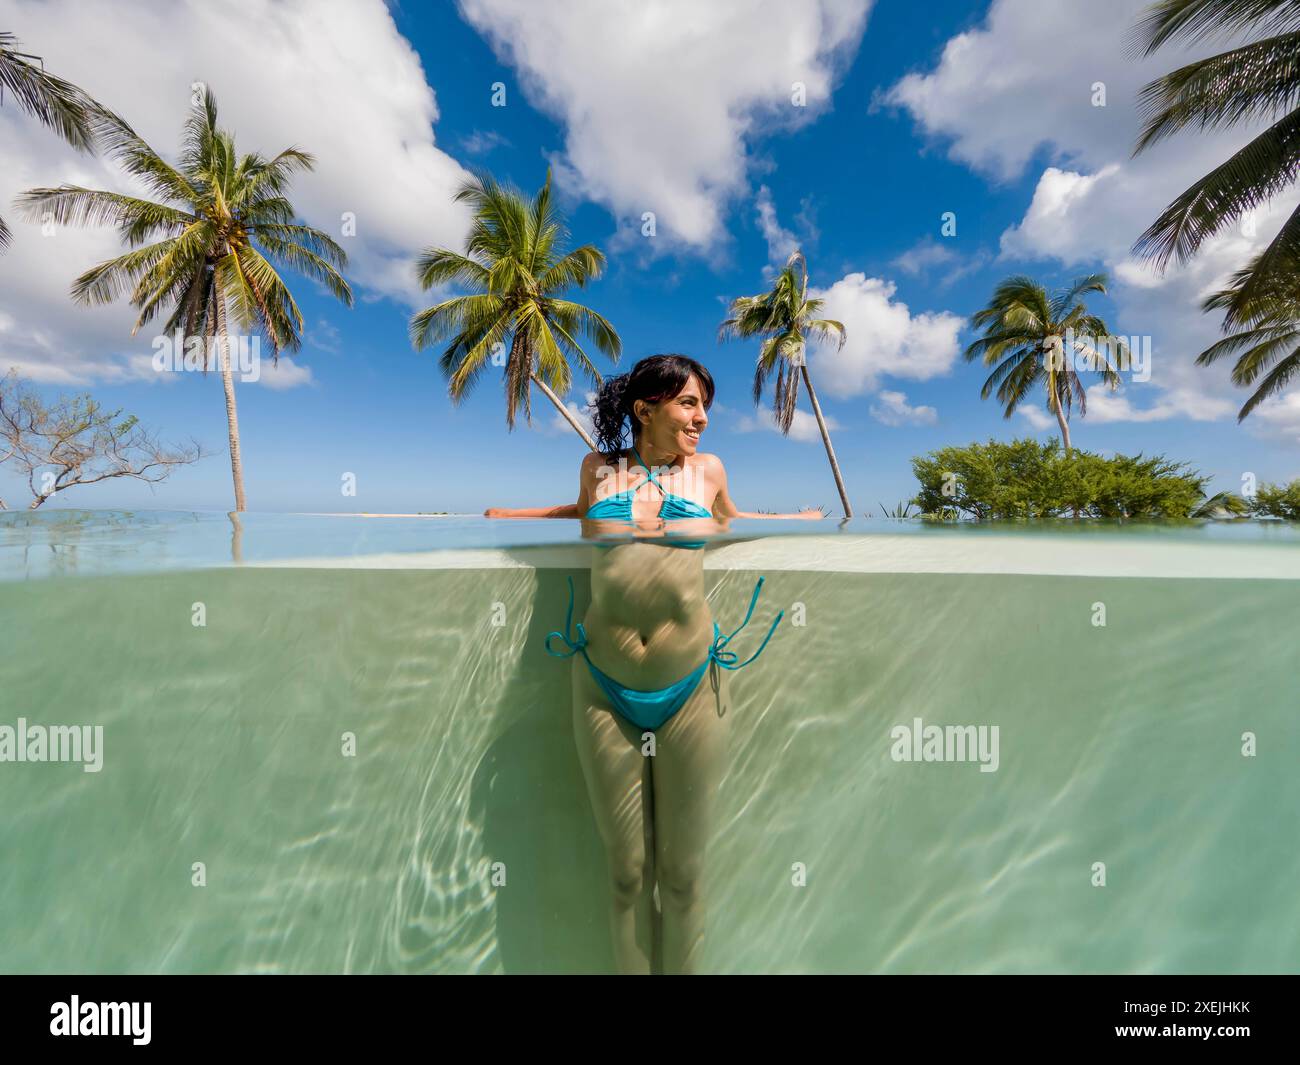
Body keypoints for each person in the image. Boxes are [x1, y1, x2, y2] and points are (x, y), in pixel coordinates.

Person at [490, 354, 820, 973]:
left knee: (684, 875)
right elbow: (580, 513)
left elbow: (732, 520)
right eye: (690, 404)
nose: (702, 419)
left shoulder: (709, 470)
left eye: (705, 407)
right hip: (601, 684)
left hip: (692, 683)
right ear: (646, 409)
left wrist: (794, 520)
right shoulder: (599, 469)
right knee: (625, 873)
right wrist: (512, 517)